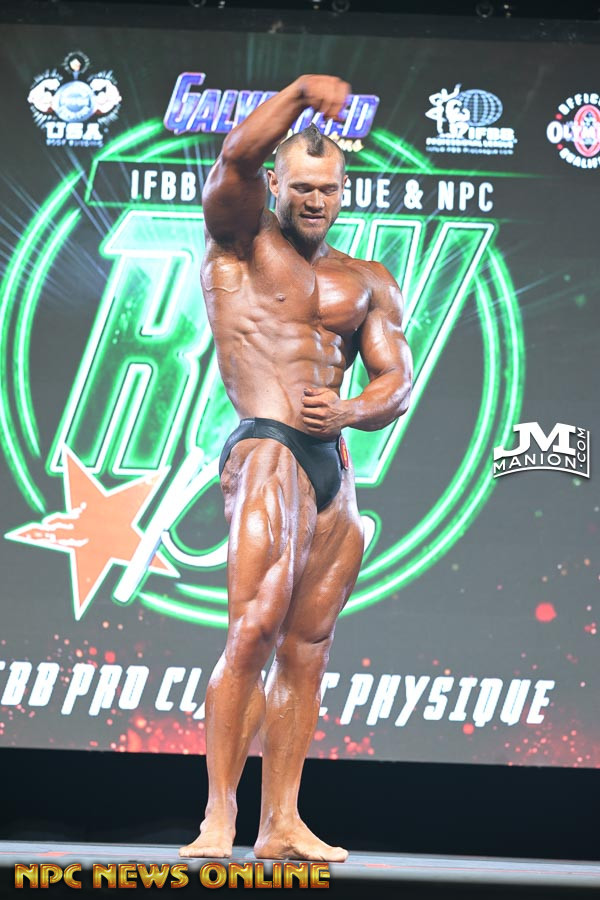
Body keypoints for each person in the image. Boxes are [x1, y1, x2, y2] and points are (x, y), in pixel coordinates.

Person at [179, 74, 413, 863]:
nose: (315, 200)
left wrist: (350, 411)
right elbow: (235, 157)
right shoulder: (241, 238)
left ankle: (281, 822)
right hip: (268, 446)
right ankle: (219, 816)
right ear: (277, 185)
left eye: (328, 189)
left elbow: (396, 380)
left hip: (332, 466)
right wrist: (303, 91)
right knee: (252, 629)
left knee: (308, 648)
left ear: (344, 192)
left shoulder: (368, 279)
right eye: (303, 186)